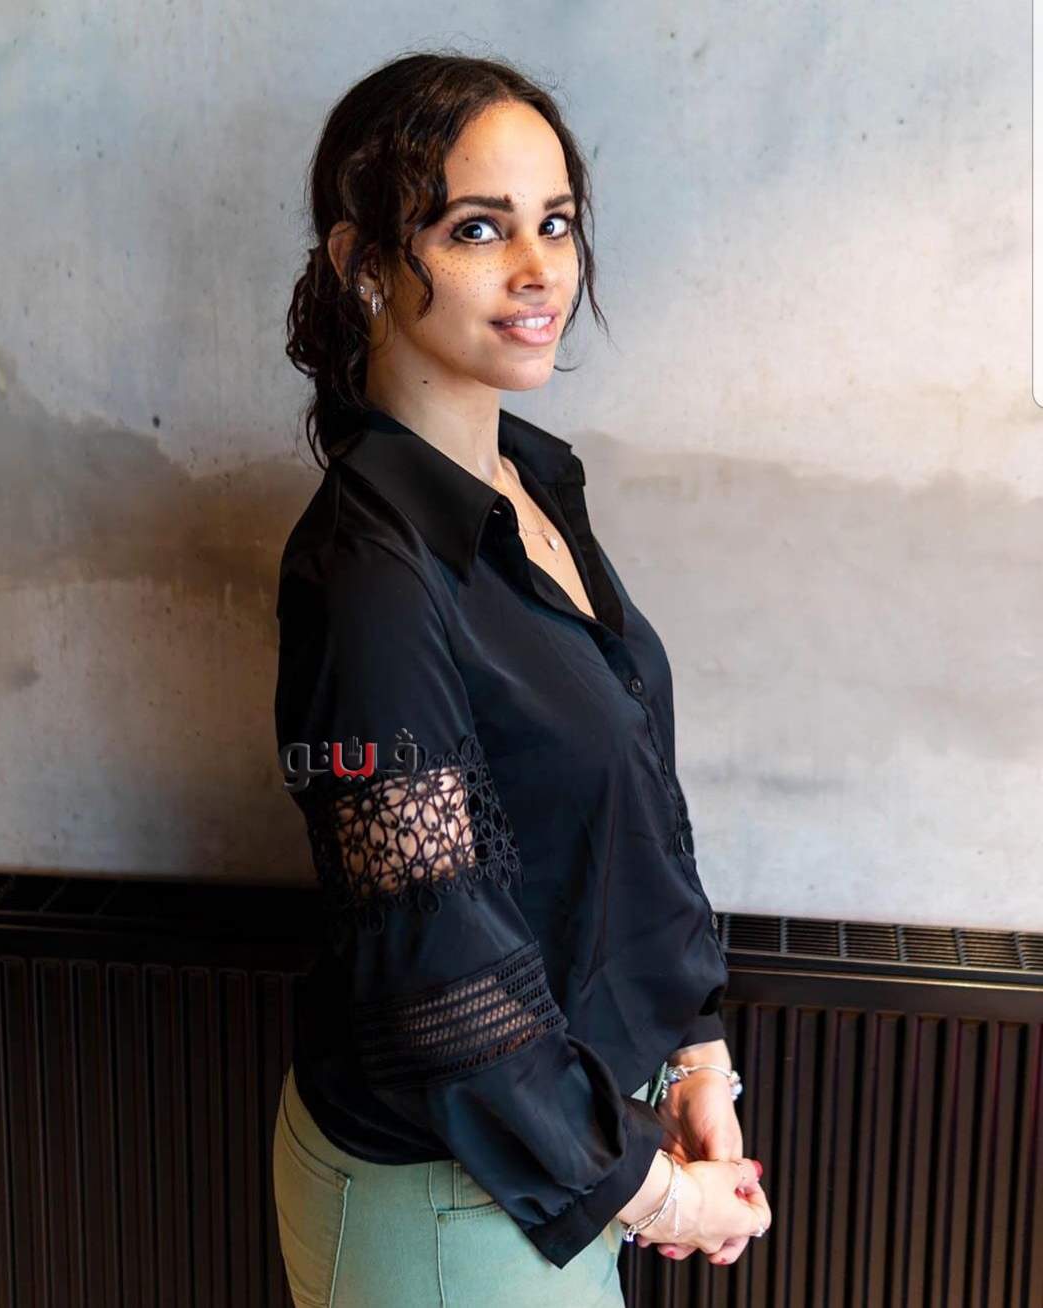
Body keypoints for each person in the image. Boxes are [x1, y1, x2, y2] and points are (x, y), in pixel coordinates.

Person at [270, 49, 772, 1308]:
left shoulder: (534, 480)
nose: (541, 268)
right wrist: (658, 1197)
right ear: (363, 263)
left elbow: (633, 798)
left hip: (573, 1149)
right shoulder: (371, 576)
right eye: (478, 228)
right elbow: (433, 964)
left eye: (556, 222)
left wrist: (695, 1060)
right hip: (452, 1200)